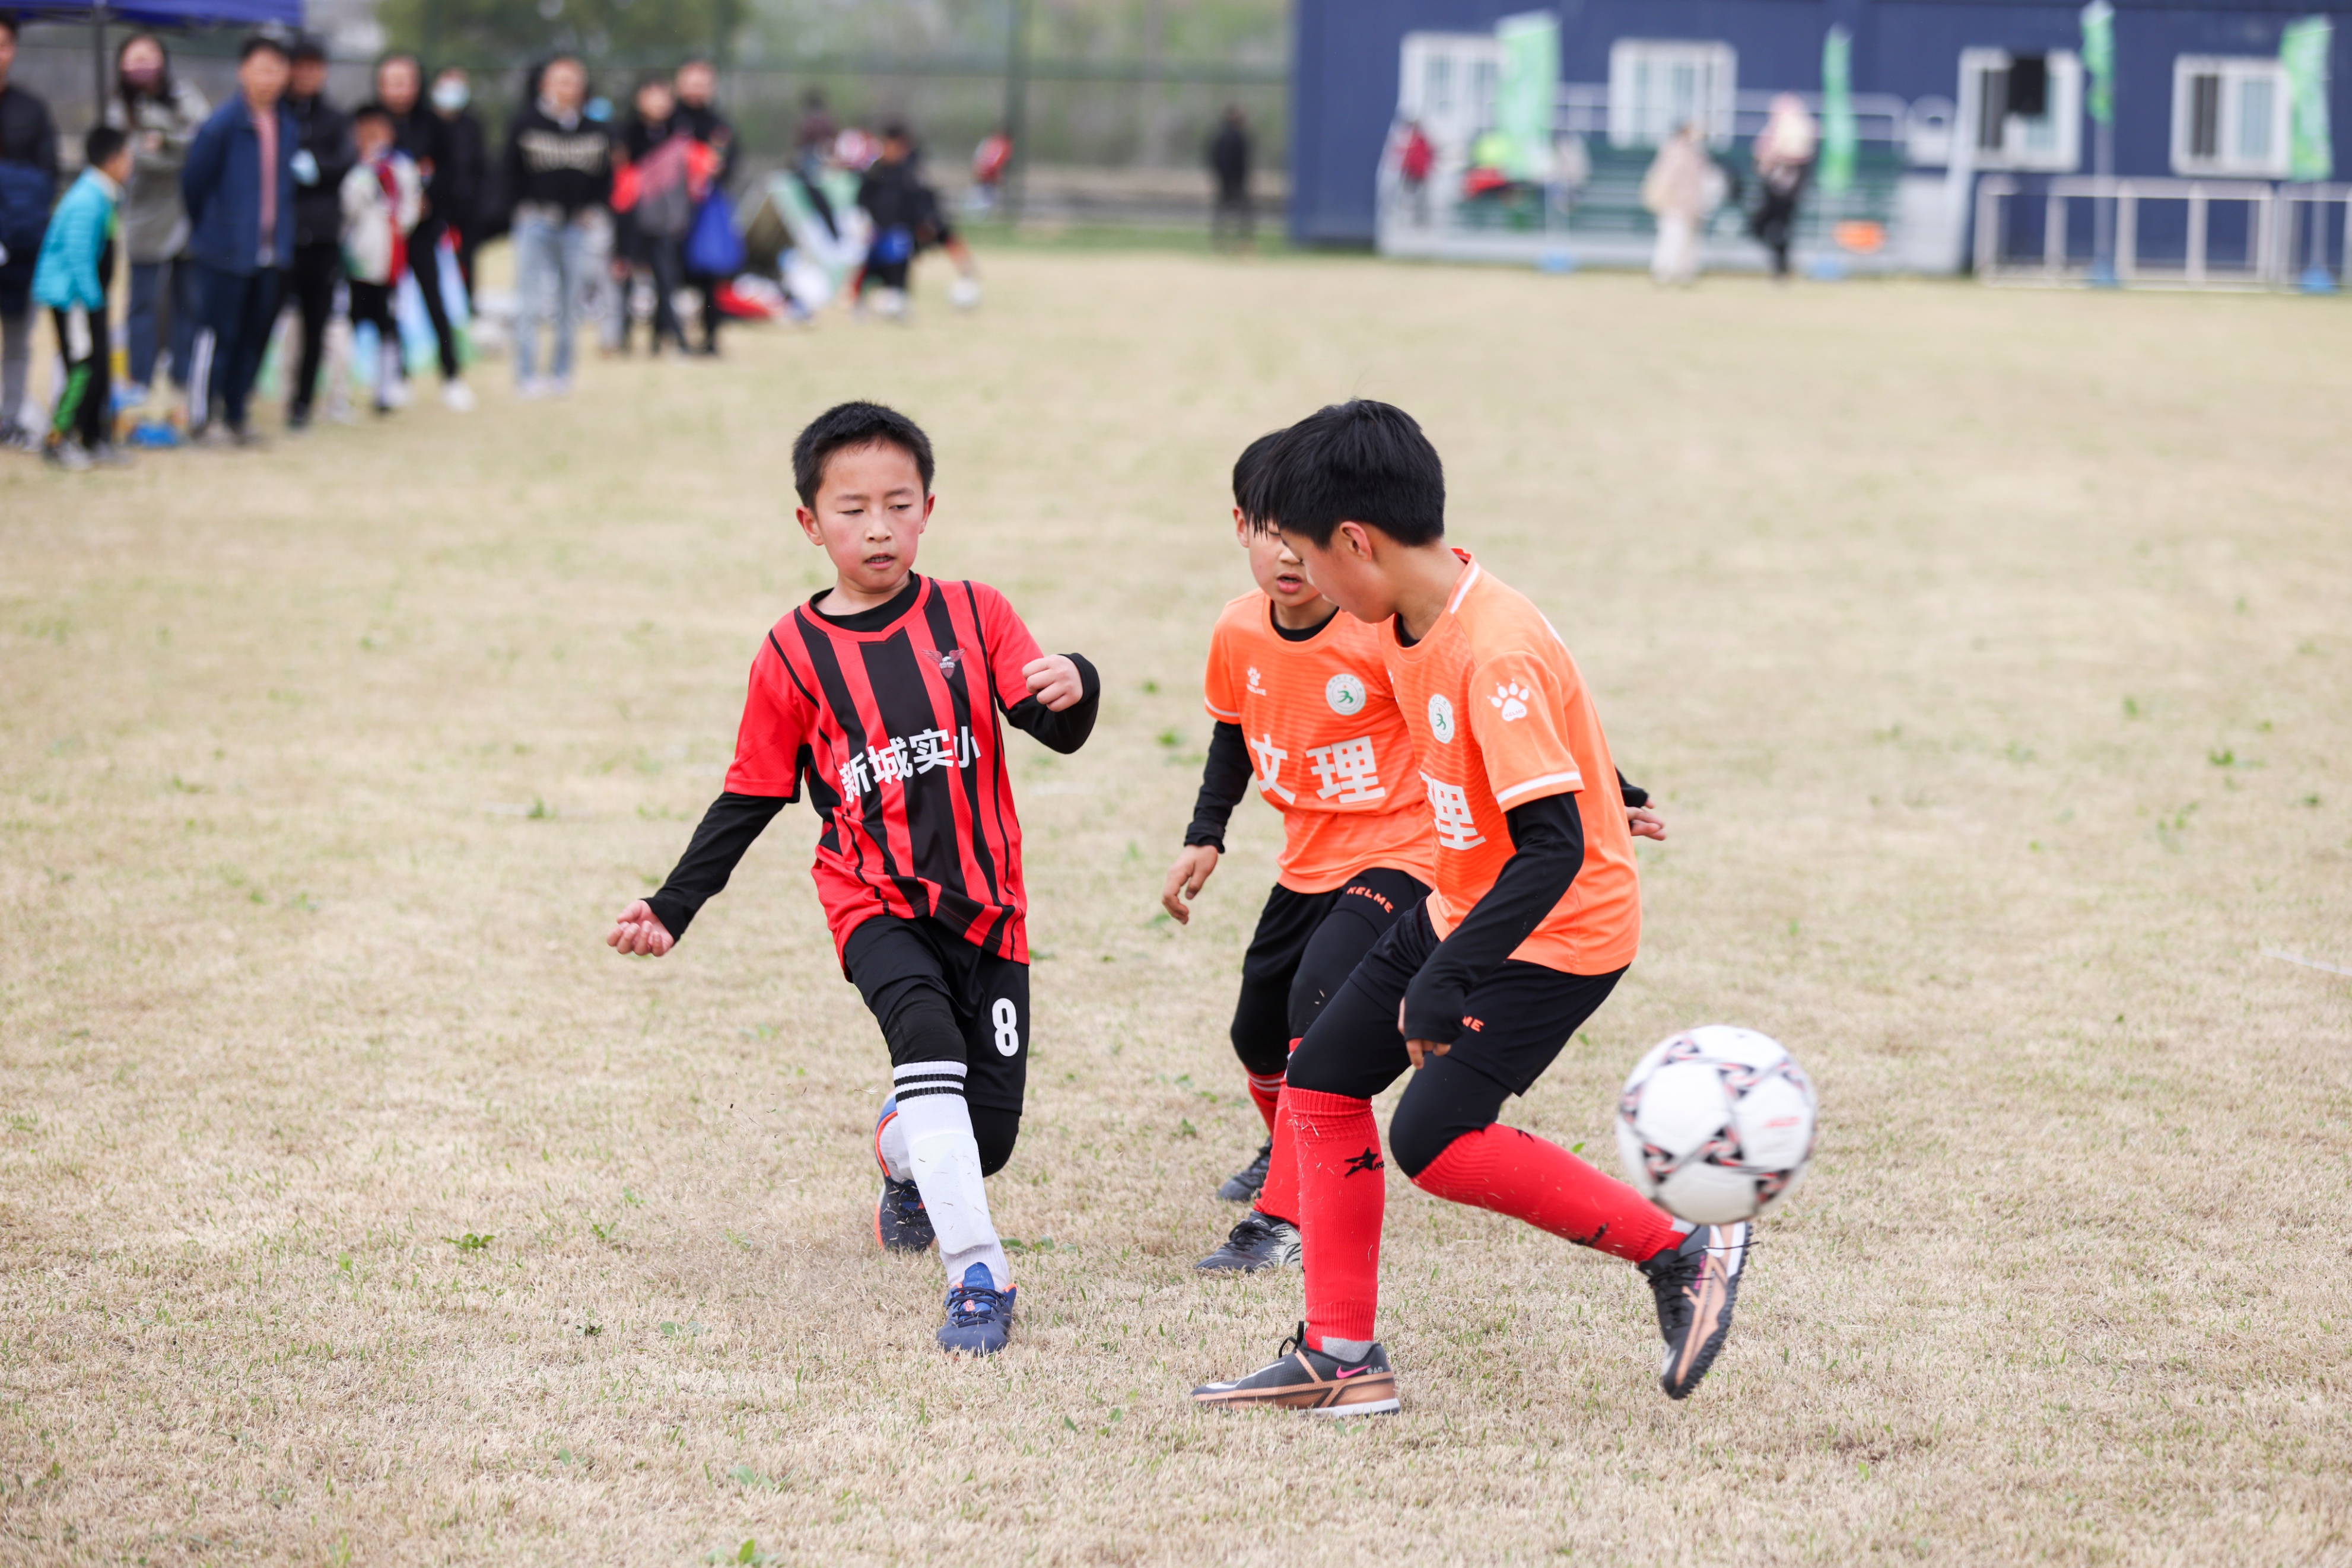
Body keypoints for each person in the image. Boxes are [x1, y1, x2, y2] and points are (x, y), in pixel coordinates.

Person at [1190, 400, 1744, 1417]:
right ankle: (1340, 1355)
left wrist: (1442, 978)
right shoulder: (1400, 615)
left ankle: (1681, 1253)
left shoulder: (1492, 648)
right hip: (1464, 902)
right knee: (1317, 1081)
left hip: (1558, 927)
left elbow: (1552, 844)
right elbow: (1530, 752)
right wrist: (1603, 775)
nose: (1303, 579)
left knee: (1435, 1141)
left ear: (1354, 541)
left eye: (1311, 556)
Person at [606, 402, 1102, 1357]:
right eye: (851, 509)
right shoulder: (792, 654)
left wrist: (1075, 678)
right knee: (922, 1036)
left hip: (988, 904)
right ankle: (978, 1274)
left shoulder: (975, 612)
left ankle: (900, 1149)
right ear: (810, 523)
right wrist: (673, 905)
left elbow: (1051, 721)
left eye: (897, 504)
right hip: (871, 898)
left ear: (927, 510)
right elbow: (751, 794)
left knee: (981, 1136)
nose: (877, 527)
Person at [1162, 431, 1437, 1269]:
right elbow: (1231, 734)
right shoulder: (1238, 630)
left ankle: (1282, 1216)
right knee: (1257, 1031)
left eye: (1303, 536)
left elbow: (1489, 709)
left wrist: (1612, 785)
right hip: (1305, 861)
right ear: (1240, 526)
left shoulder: (1376, 631)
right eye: (1268, 531)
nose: (1286, 556)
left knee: (1319, 1008)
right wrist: (1206, 833)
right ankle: (1290, 1143)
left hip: (1400, 853)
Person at [181, 31, 296, 447]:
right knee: (217, 334)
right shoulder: (222, 125)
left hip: (270, 251)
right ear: (243, 71)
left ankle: (236, 414)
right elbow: (193, 184)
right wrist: (214, 229)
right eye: (261, 68)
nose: (269, 78)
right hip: (223, 250)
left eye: (277, 69)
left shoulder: (286, 123)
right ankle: (202, 416)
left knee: (255, 335)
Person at [104, 31, 207, 422]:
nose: (142, 64)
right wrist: (177, 144)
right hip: (146, 219)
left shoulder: (185, 94)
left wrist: (162, 141)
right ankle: (140, 384)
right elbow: (139, 161)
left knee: (189, 304)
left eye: (149, 56)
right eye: (134, 57)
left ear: (163, 59)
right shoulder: (119, 108)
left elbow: (203, 140)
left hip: (189, 215)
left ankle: (184, 386)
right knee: (142, 304)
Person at [501, 53, 610, 396]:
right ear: (544, 84)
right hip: (537, 221)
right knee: (530, 303)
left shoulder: (596, 129)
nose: (569, 87)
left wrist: (593, 208)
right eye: (561, 80)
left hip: (576, 226)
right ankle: (527, 376)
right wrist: (518, 209)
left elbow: (606, 175)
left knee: (570, 305)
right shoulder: (526, 124)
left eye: (575, 80)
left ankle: (562, 374)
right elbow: (508, 172)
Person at [31, 126, 132, 469]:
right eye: (127, 157)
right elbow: (77, 256)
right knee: (82, 368)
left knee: (99, 366)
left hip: (88, 299)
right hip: (74, 299)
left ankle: (93, 438)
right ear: (114, 160)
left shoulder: (104, 194)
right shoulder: (87, 198)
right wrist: (94, 301)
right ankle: (57, 441)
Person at [376, 54, 472, 410]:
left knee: (434, 298)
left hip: (423, 227)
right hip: (381, 232)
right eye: (392, 81)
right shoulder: (371, 121)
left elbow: (450, 172)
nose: (399, 89)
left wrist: (426, 200)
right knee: (387, 303)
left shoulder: (433, 125)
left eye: (406, 80)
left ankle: (451, 375)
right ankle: (395, 377)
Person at [284, 38, 354, 430]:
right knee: (264, 318)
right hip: (281, 236)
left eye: (315, 66)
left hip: (323, 237)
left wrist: (316, 170)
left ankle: (302, 404)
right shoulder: (277, 112)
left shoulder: (334, 118)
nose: (307, 74)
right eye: (301, 65)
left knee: (317, 324)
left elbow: (344, 162)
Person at [0, 10, 59, 449]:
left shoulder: (32, 109)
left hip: (20, 249)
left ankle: (10, 419)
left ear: (14, 49)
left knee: (19, 340)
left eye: (3, 44)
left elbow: (49, 176)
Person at [339, 101, 419, 415]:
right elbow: (348, 208)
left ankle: (387, 390)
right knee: (347, 326)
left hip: (390, 260)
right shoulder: (352, 168)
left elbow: (410, 207)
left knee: (389, 325)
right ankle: (341, 392)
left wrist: (398, 227)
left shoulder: (402, 167)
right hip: (356, 260)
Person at [612, 72, 687, 356]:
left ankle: (666, 337)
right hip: (632, 217)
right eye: (651, 96)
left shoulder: (678, 133)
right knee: (627, 280)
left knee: (665, 280)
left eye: (663, 96)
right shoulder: (626, 134)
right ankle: (624, 338)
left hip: (665, 219)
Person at [670, 59, 733, 355]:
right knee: (671, 272)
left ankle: (710, 336)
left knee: (710, 275)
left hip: (706, 210)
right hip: (671, 208)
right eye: (691, 82)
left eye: (703, 83)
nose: (697, 89)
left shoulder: (718, 124)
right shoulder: (669, 121)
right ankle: (673, 336)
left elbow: (731, 160)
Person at [428, 66, 486, 303]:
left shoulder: (472, 124)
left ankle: (465, 303)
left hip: (466, 205)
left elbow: (481, 166)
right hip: (433, 205)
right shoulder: (427, 123)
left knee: (466, 258)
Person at [1749, 94, 1816, 281]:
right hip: (1775, 192)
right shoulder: (1777, 133)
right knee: (1765, 228)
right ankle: (1781, 265)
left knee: (1777, 229)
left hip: (1783, 195)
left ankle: (1781, 267)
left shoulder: (1793, 139)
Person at [1641, 122, 1715, 287]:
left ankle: (1685, 273)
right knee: (1673, 238)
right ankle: (1664, 272)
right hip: (1675, 205)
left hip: (1692, 205)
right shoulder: (1675, 153)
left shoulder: (1696, 155)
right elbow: (1665, 180)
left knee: (1689, 242)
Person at [1207, 104, 1251, 249]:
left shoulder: (1239, 136)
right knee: (1224, 210)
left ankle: (1243, 241)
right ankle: (1219, 241)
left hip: (1238, 180)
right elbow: (1216, 158)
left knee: (1242, 211)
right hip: (1227, 179)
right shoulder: (1224, 136)